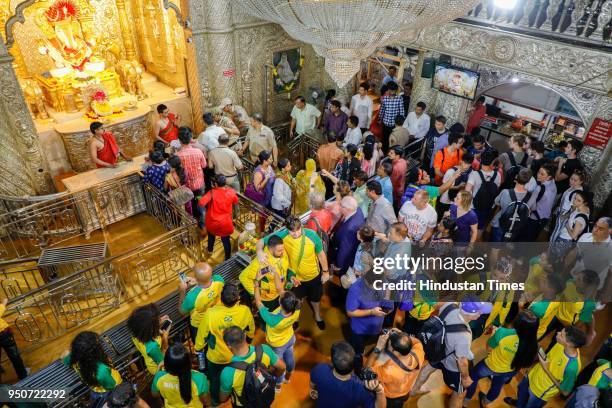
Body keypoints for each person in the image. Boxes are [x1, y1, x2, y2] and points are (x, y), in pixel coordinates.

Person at [411, 301, 493, 408]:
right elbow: (461, 361)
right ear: (472, 314)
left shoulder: (449, 305)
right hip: (451, 364)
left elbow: (435, 305)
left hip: (437, 349)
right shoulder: (465, 335)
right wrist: (465, 377)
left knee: (428, 368)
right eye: (479, 312)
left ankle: (414, 390)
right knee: (460, 393)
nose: (480, 314)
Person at [256, 216, 330, 330]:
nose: (295, 234)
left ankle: (317, 315)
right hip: (295, 278)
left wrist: (325, 272)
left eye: (298, 230)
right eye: (292, 231)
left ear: (301, 226)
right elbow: (261, 241)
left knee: (316, 298)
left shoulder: (312, 236)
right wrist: (259, 252)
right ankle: (295, 319)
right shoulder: (283, 235)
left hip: (313, 275)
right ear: (287, 229)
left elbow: (321, 254)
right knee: (296, 300)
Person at [195, 284, 255, 406]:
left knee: (216, 380)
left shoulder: (210, 314)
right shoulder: (245, 311)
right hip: (237, 355)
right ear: (238, 298)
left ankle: (216, 400)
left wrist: (198, 348)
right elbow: (251, 331)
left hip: (216, 357)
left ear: (221, 298)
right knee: (237, 377)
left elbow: (202, 335)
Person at [464, 310, 539, 407]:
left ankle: (466, 400)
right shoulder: (534, 344)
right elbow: (527, 362)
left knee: (473, 376)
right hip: (510, 370)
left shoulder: (503, 332)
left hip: (491, 365)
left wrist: (494, 335)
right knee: (497, 385)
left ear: (517, 322)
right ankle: (485, 402)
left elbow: (489, 348)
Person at [505, 326, 586, 407]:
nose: (558, 333)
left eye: (561, 335)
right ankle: (519, 404)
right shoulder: (560, 344)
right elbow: (548, 358)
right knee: (521, 391)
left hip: (540, 392)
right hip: (532, 376)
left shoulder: (572, 368)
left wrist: (546, 369)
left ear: (569, 343)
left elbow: (565, 392)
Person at [219, 327, 286, 405]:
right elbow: (282, 367)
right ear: (244, 335)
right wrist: (271, 376)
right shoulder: (264, 350)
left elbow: (223, 398)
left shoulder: (228, 372)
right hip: (264, 398)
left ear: (228, 345)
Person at [310, 341, 386, 408]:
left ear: (332, 362)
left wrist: (312, 389)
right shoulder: (360, 388)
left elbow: (312, 383)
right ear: (354, 365)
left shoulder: (320, 369)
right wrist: (380, 391)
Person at [254, 280, 300, 389]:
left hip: (277, 345)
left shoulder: (273, 319)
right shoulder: (296, 308)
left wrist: (256, 283)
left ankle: (278, 385)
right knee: (290, 358)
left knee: (278, 366)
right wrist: (275, 272)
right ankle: (288, 378)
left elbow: (258, 301)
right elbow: (281, 291)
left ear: (280, 304)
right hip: (290, 338)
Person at [366, 328, 425, 408]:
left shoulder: (388, 370)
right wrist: (401, 336)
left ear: (394, 351)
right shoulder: (418, 351)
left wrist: (378, 348)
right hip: (405, 392)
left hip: (390, 397)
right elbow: (417, 342)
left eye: (390, 343)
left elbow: (367, 369)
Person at [63, 331, 122, 398]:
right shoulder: (102, 370)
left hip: (95, 389)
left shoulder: (73, 359)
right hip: (106, 392)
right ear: (94, 352)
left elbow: (64, 356)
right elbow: (111, 386)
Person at [239, 234, 290, 311]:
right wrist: (256, 294)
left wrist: (291, 276)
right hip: (268, 298)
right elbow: (243, 277)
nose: (283, 252)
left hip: (281, 291)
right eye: (279, 251)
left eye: (282, 249)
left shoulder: (282, 252)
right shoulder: (262, 263)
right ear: (270, 249)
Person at [152, 343, 210, 408]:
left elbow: (155, 395)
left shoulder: (159, 376)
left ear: (166, 363)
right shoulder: (200, 378)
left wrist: (158, 368)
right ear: (188, 363)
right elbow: (206, 401)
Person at [179, 262, 224, 341]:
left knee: (198, 342)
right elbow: (210, 280)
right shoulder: (219, 279)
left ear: (195, 277)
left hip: (199, 325)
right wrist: (198, 281)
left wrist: (182, 291)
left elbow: (182, 311)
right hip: (216, 316)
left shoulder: (192, 296)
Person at [198, 175, 237, 261]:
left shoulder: (212, 193)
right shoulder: (230, 192)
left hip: (212, 222)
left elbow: (201, 202)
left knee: (211, 236)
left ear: (215, 184)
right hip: (225, 223)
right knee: (226, 241)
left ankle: (209, 250)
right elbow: (235, 200)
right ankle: (227, 258)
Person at [490, 168, 533, 243]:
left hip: (500, 223)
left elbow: (496, 202)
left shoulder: (505, 192)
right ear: (528, 181)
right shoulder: (530, 196)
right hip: (515, 227)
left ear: (516, 177)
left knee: (495, 247)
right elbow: (530, 209)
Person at [176, 127, 207, 228]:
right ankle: (203, 225)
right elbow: (204, 165)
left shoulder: (178, 156)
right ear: (190, 138)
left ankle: (192, 226)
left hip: (186, 186)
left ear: (180, 141)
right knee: (200, 203)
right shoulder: (198, 151)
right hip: (199, 184)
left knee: (189, 206)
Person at [466, 150, 500, 239]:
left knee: (467, 228)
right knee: (479, 228)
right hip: (487, 207)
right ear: (493, 161)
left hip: (473, 207)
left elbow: (467, 192)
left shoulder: (474, 174)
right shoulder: (498, 175)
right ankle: (472, 248)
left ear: (481, 160)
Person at [127, 303, 169, 375]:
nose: (160, 319)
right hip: (159, 368)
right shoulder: (152, 347)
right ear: (151, 328)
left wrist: (157, 324)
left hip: (150, 361)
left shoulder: (137, 332)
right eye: (157, 319)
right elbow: (163, 362)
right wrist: (165, 339)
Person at [330, 196, 365, 276]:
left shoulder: (349, 229)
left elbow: (344, 249)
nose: (339, 207)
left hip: (346, 257)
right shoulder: (358, 210)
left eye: (341, 206)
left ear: (347, 209)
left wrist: (338, 265)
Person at [523, 164, 557, 241]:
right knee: (532, 238)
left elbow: (530, 205)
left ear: (549, 177)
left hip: (534, 217)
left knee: (525, 238)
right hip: (544, 218)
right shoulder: (553, 184)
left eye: (542, 174)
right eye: (539, 172)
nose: (538, 175)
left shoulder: (539, 188)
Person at [437, 152, 473, 220]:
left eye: (468, 164)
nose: (466, 166)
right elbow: (444, 186)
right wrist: (458, 187)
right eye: (465, 163)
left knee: (451, 219)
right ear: (461, 161)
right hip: (446, 199)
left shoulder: (471, 172)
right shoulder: (451, 171)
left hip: (457, 201)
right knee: (441, 216)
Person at [0, 298, 28, 380]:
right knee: (15, 356)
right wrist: (4, 303)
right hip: (4, 334)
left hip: (4, 334)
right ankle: (23, 376)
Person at [378, 81, 405, 153]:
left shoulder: (399, 99)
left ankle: (391, 154)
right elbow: (382, 110)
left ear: (396, 90)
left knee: (393, 141)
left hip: (394, 125)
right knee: (384, 140)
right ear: (388, 90)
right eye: (390, 90)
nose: (391, 92)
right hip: (385, 123)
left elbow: (402, 112)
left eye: (393, 90)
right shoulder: (385, 99)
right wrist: (379, 119)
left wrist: (401, 124)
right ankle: (383, 153)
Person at [387, 145, 408, 210]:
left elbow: (392, 182)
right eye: (389, 152)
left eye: (391, 153)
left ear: (397, 156)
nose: (388, 154)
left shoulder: (395, 168)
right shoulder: (404, 161)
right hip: (401, 187)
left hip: (395, 191)